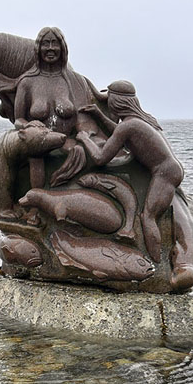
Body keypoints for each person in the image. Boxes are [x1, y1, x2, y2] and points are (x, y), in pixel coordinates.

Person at [77, 80, 184, 263]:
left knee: (148, 217)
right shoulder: (136, 121)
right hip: (170, 170)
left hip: (165, 173)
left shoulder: (128, 126)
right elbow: (119, 133)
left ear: (115, 103)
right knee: (150, 215)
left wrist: (85, 138)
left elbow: (100, 158)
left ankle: (156, 264)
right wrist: (98, 114)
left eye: (108, 100)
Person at [14, 27, 98, 187]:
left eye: (55, 43)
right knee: (36, 154)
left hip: (66, 140)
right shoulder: (27, 82)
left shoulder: (75, 80)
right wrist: (28, 124)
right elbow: (18, 119)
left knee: (81, 150)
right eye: (46, 44)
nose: (50, 48)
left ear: (62, 48)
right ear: (38, 48)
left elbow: (84, 117)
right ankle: (36, 202)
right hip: (39, 143)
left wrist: (84, 135)